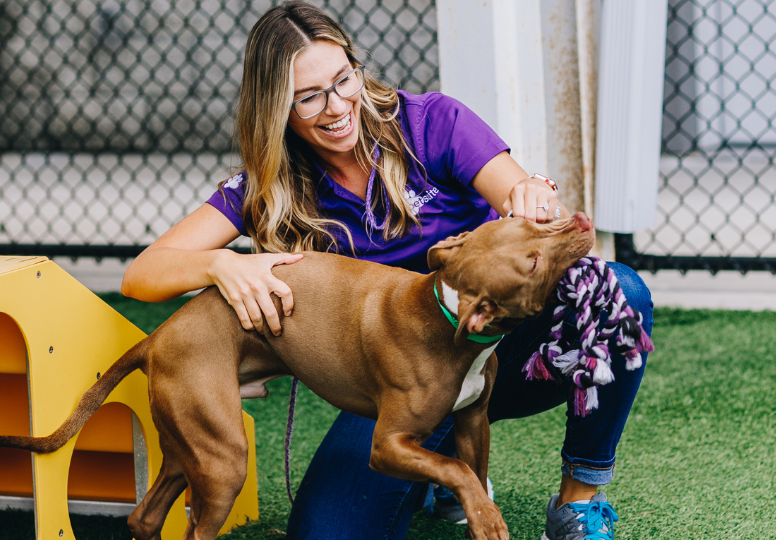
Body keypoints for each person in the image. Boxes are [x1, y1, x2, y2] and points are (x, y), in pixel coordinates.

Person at [121, 2, 653, 539]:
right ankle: (441, 467)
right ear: (276, 107)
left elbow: (521, 204)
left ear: (357, 68)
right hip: (395, 386)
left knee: (620, 295)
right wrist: (221, 263)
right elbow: (143, 274)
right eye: (309, 97)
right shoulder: (267, 186)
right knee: (327, 535)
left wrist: (532, 192)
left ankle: (577, 504)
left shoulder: (431, 123)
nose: (337, 106)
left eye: (343, 79)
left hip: (493, 343)